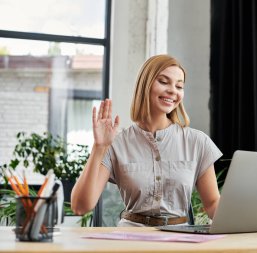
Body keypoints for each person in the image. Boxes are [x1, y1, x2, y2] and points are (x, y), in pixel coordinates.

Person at [71, 54, 222, 227]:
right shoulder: (116, 142)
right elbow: (80, 207)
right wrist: (99, 147)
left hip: (179, 239)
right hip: (130, 239)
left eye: (179, 86)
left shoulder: (197, 142)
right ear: (145, 85)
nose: (173, 90)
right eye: (164, 82)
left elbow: (212, 204)